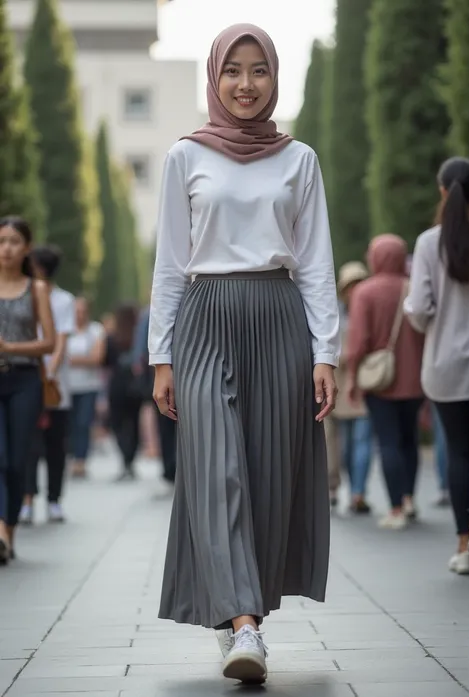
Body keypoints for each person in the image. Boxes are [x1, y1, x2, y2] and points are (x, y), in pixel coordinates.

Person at [149, 24, 340, 684]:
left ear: (274, 79)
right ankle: (244, 624)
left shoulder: (300, 160)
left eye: (259, 70)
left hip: (280, 319)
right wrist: (161, 355)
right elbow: (170, 262)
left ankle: (242, 616)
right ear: (214, 77)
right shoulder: (184, 157)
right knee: (217, 465)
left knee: (264, 473)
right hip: (205, 320)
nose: (246, 84)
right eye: (233, 70)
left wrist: (327, 352)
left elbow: (315, 261)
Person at [405, 157, 469, 575]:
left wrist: (417, 312)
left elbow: (421, 310)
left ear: (443, 191)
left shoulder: (430, 243)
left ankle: (463, 546)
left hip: (446, 364)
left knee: (460, 453)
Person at [346, 234, 424, 530]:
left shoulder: (365, 292)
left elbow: (359, 342)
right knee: (410, 441)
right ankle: (408, 498)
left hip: (380, 383)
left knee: (388, 442)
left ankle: (394, 508)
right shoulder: (412, 287)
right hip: (415, 378)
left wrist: (353, 378)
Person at [0, 217, 55, 562]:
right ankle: (1, 531)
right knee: (0, 458)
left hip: (24, 381)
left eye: (14, 241)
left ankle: (9, 530)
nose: (6, 248)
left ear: (27, 248)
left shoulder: (36, 290)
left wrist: (9, 347)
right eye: (2, 240)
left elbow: (49, 343)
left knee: (18, 462)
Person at [20, 246, 75, 524]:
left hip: (54, 385)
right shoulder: (22, 294)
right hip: (28, 378)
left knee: (55, 444)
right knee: (28, 444)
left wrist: (49, 372)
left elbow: (62, 340)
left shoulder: (64, 301)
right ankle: (27, 499)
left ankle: (54, 500)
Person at [334, 262, 373, 514]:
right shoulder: (335, 313)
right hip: (339, 384)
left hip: (365, 383)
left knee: (362, 440)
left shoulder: (369, 309)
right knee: (346, 444)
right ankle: (351, 488)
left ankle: (358, 491)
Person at [132, 305, 176, 484]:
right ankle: (169, 467)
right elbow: (142, 345)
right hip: (162, 369)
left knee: (168, 423)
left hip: (174, 367)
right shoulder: (150, 314)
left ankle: (171, 467)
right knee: (166, 419)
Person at [68, 298, 106, 479]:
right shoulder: (65, 330)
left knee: (83, 423)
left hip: (89, 386)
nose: (79, 315)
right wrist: (84, 359)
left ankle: (80, 460)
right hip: (67, 386)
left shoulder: (96, 330)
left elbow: (97, 358)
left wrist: (70, 360)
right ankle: (71, 456)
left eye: (82, 311)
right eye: (76, 311)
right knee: (69, 424)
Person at [107, 304, 143, 481]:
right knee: (134, 423)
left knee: (117, 423)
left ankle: (125, 457)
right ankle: (131, 458)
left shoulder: (112, 338)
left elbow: (104, 361)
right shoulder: (139, 337)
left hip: (117, 386)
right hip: (135, 385)